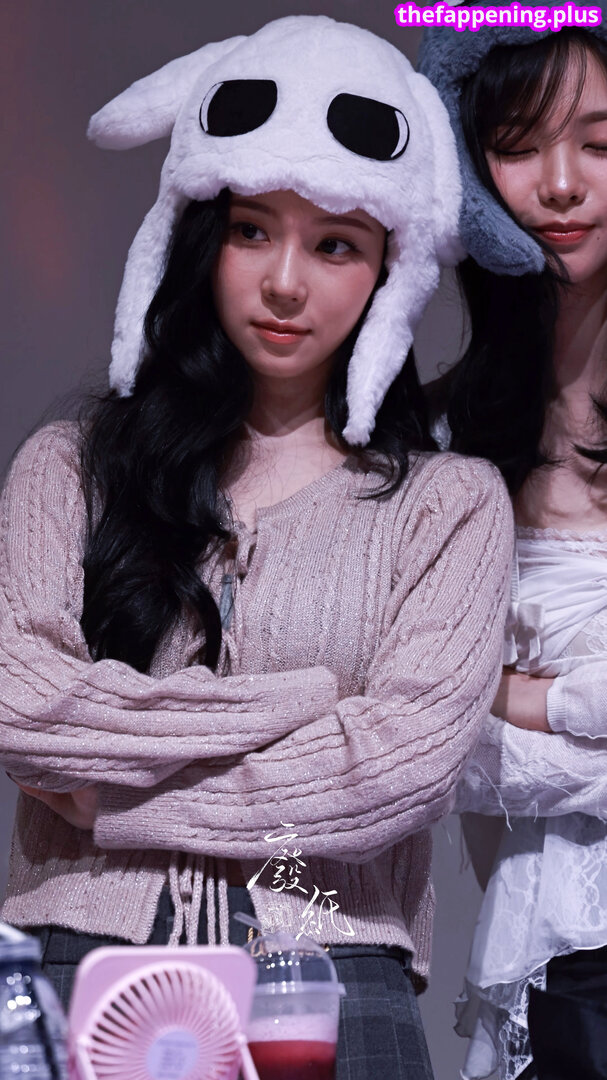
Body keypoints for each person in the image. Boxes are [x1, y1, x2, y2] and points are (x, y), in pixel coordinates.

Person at [0, 15, 513, 1079]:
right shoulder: (71, 466)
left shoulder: (448, 506)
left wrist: (109, 798)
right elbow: (21, 702)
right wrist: (291, 707)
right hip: (81, 956)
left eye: (335, 245)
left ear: (390, 269)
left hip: (325, 961)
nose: (286, 282)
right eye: (251, 230)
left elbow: (396, 768)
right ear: (199, 234)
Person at [420, 8, 607, 1079]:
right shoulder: (442, 436)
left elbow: (456, 713)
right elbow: (422, 741)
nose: (561, 184)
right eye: (519, 145)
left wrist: (500, 693)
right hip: (537, 959)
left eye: (599, 142)